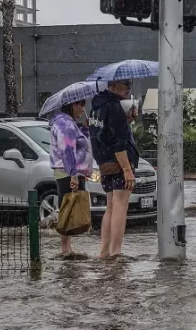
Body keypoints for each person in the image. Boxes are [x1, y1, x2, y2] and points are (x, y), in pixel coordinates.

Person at [89, 79, 140, 259]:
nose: (128, 87)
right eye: (125, 84)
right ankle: (116, 252)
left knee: (110, 207)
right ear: (113, 86)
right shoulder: (114, 107)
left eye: (129, 84)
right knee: (120, 206)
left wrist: (126, 121)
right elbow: (118, 143)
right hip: (118, 163)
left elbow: (104, 133)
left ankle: (104, 251)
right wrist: (127, 169)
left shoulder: (96, 107)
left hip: (104, 164)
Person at [49, 100, 94, 255]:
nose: (83, 109)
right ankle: (65, 248)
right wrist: (74, 175)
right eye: (81, 105)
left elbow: (79, 144)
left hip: (69, 171)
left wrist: (86, 129)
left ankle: (67, 247)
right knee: (67, 207)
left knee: (68, 206)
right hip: (67, 172)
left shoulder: (68, 123)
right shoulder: (65, 124)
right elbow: (67, 151)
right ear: (72, 105)